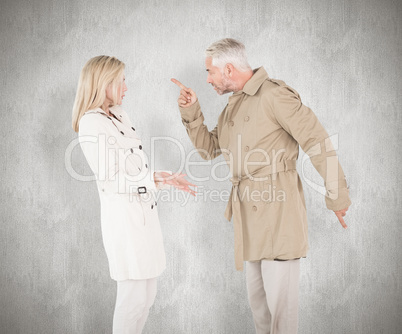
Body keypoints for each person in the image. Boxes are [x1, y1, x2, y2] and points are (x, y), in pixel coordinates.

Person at [172, 38, 351, 334]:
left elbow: (316, 141)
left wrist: (337, 195)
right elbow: (209, 148)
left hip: (279, 215)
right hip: (249, 221)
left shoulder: (274, 95)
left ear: (228, 69)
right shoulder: (233, 107)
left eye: (210, 72)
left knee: (282, 318)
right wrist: (192, 112)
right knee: (261, 313)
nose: (207, 79)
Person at [72, 55, 195, 334]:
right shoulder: (91, 123)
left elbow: (135, 170)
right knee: (132, 301)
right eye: (121, 81)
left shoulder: (120, 115)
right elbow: (111, 179)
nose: (126, 87)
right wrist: (152, 178)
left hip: (144, 220)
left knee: (146, 297)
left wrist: (159, 179)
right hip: (125, 224)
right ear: (104, 83)